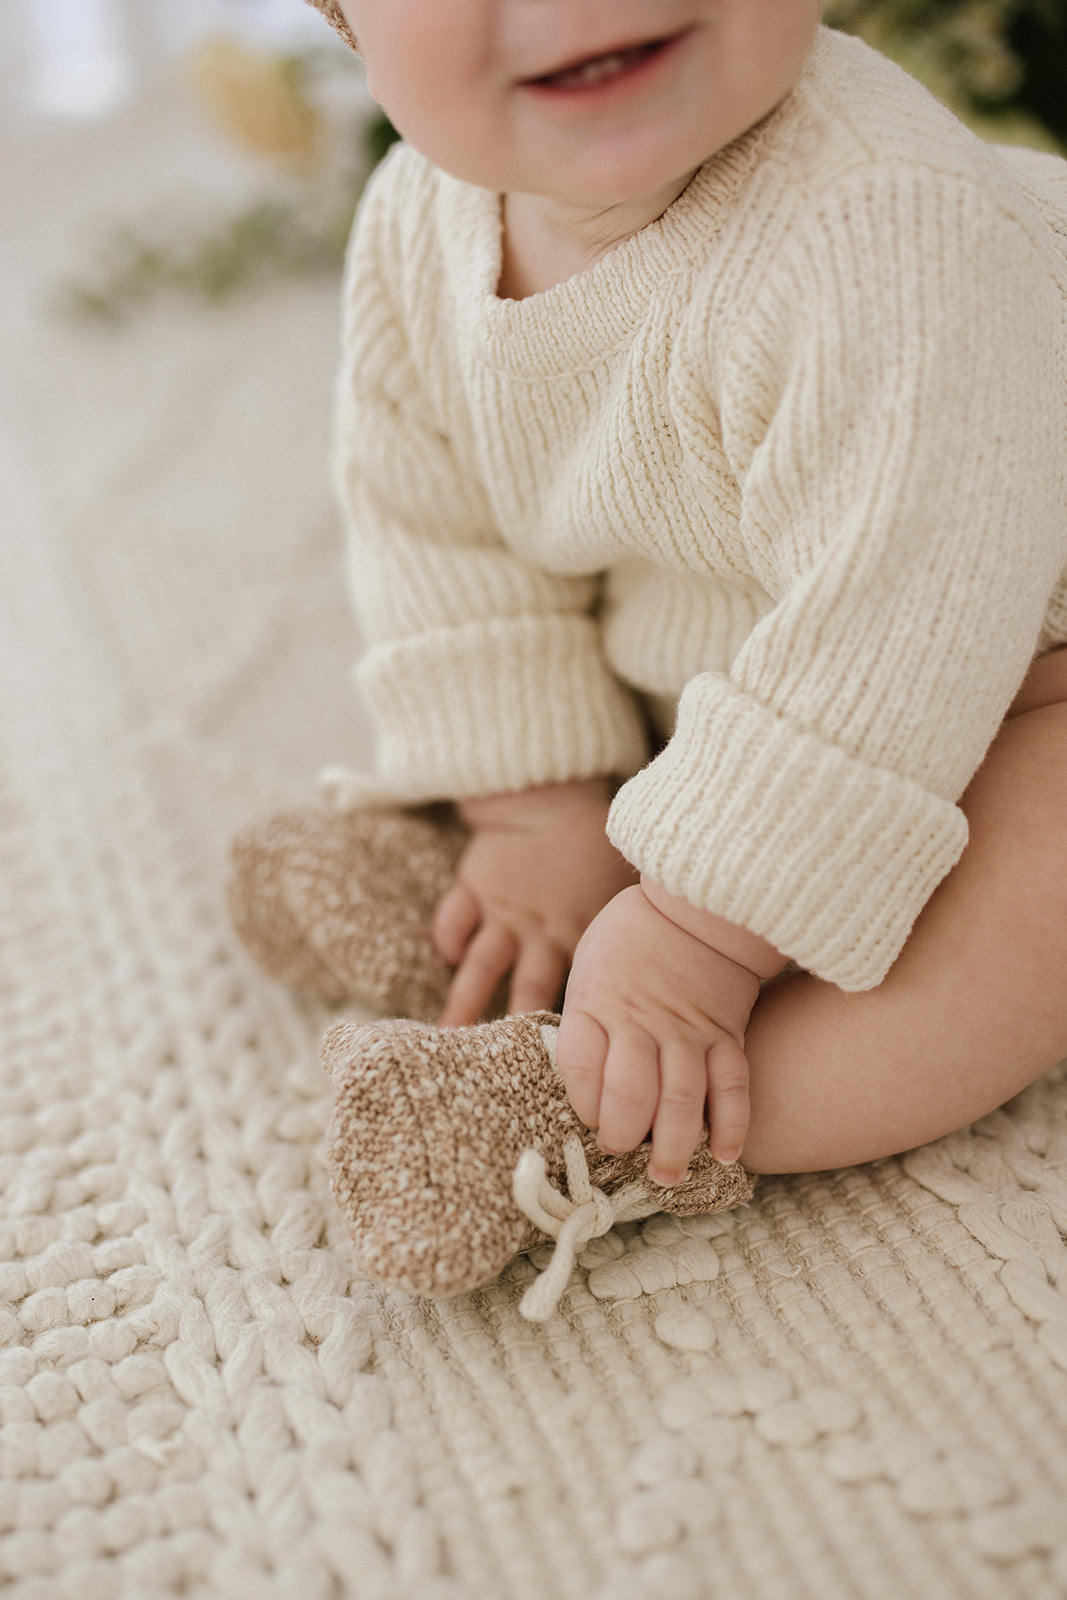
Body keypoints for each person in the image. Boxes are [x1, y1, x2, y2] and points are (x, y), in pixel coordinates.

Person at [252, 0, 1067, 1197]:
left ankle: (610, 1125)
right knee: (582, 799)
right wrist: (531, 803)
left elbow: (894, 634)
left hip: (1005, 662)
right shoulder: (416, 219)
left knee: (1029, 911)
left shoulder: (887, 218)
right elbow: (435, 528)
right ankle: (530, 914)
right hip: (756, 645)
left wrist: (696, 930)